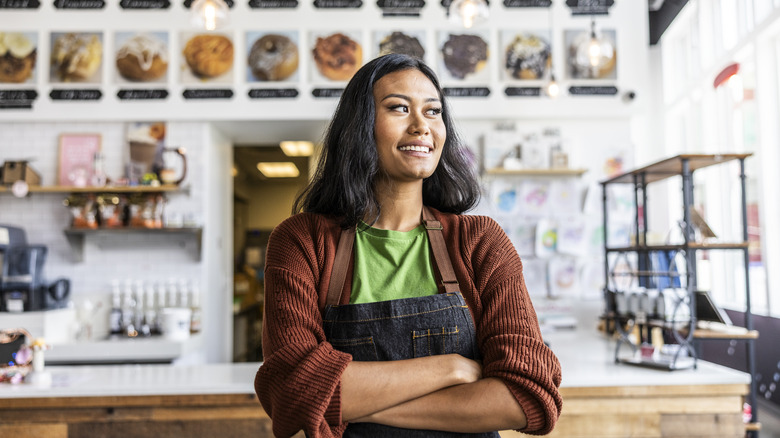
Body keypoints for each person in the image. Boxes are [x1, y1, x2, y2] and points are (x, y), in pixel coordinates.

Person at [255, 53, 562, 437]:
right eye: (399, 108)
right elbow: (292, 390)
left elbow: (528, 395)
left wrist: (357, 404)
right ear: (360, 127)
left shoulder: (480, 242)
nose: (421, 126)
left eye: (433, 112)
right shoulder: (302, 242)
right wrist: (451, 368)